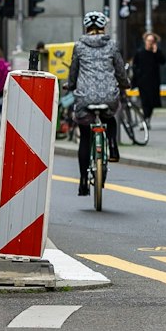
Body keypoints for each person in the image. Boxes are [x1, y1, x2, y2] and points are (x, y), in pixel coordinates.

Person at [63, 11, 130, 194]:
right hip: (108, 96)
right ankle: (113, 147)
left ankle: (84, 181)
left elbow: (74, 72)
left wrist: (69, 85)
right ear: (103, 28)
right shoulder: (111, 45)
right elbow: (119, 70)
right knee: (110, 119)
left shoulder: (79, 46)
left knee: (85, 135)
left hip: (85, 98)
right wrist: (125, 84)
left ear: (86, 28)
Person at [131, 33, 165, 121]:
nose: (150, 43)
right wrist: (137, 76)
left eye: (152, 41)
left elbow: (163, 61)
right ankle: (145, 118)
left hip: (153, 81)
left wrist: (156, 52)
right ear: (145, 41)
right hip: (142, 81)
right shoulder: (140, 52)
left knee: (152, 101)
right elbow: (135, 65)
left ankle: (147, 117)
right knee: (144, 100)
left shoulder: (156, 53)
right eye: (149, 41)